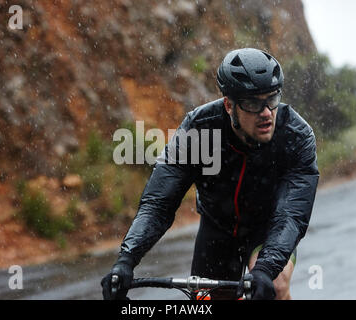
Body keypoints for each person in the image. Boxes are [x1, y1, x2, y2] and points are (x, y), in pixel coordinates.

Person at [101, 48, 319, 300]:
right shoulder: (200, 131)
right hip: (217, 229)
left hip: (268, 227)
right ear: (229, 105)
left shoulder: (296, 136)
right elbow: (159, 204)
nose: (267, 113)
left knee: (276, 285)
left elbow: (291, 215)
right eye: (252, 103)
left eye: (272, 99)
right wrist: (126, 260)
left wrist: (265, 268)